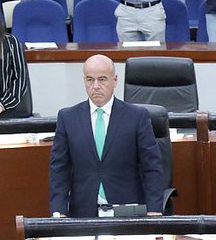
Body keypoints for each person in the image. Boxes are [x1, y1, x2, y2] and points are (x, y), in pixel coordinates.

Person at [49, 55, 164, 218]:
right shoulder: (68, 118)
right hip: (83, 213)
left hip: (127, 210)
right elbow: (59, 169)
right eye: (90, 80)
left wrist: (154, 210)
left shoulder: (136, 116)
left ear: (115, 80)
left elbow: (152, 166)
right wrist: (58, 211)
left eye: (102, 79)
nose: (95, 86)